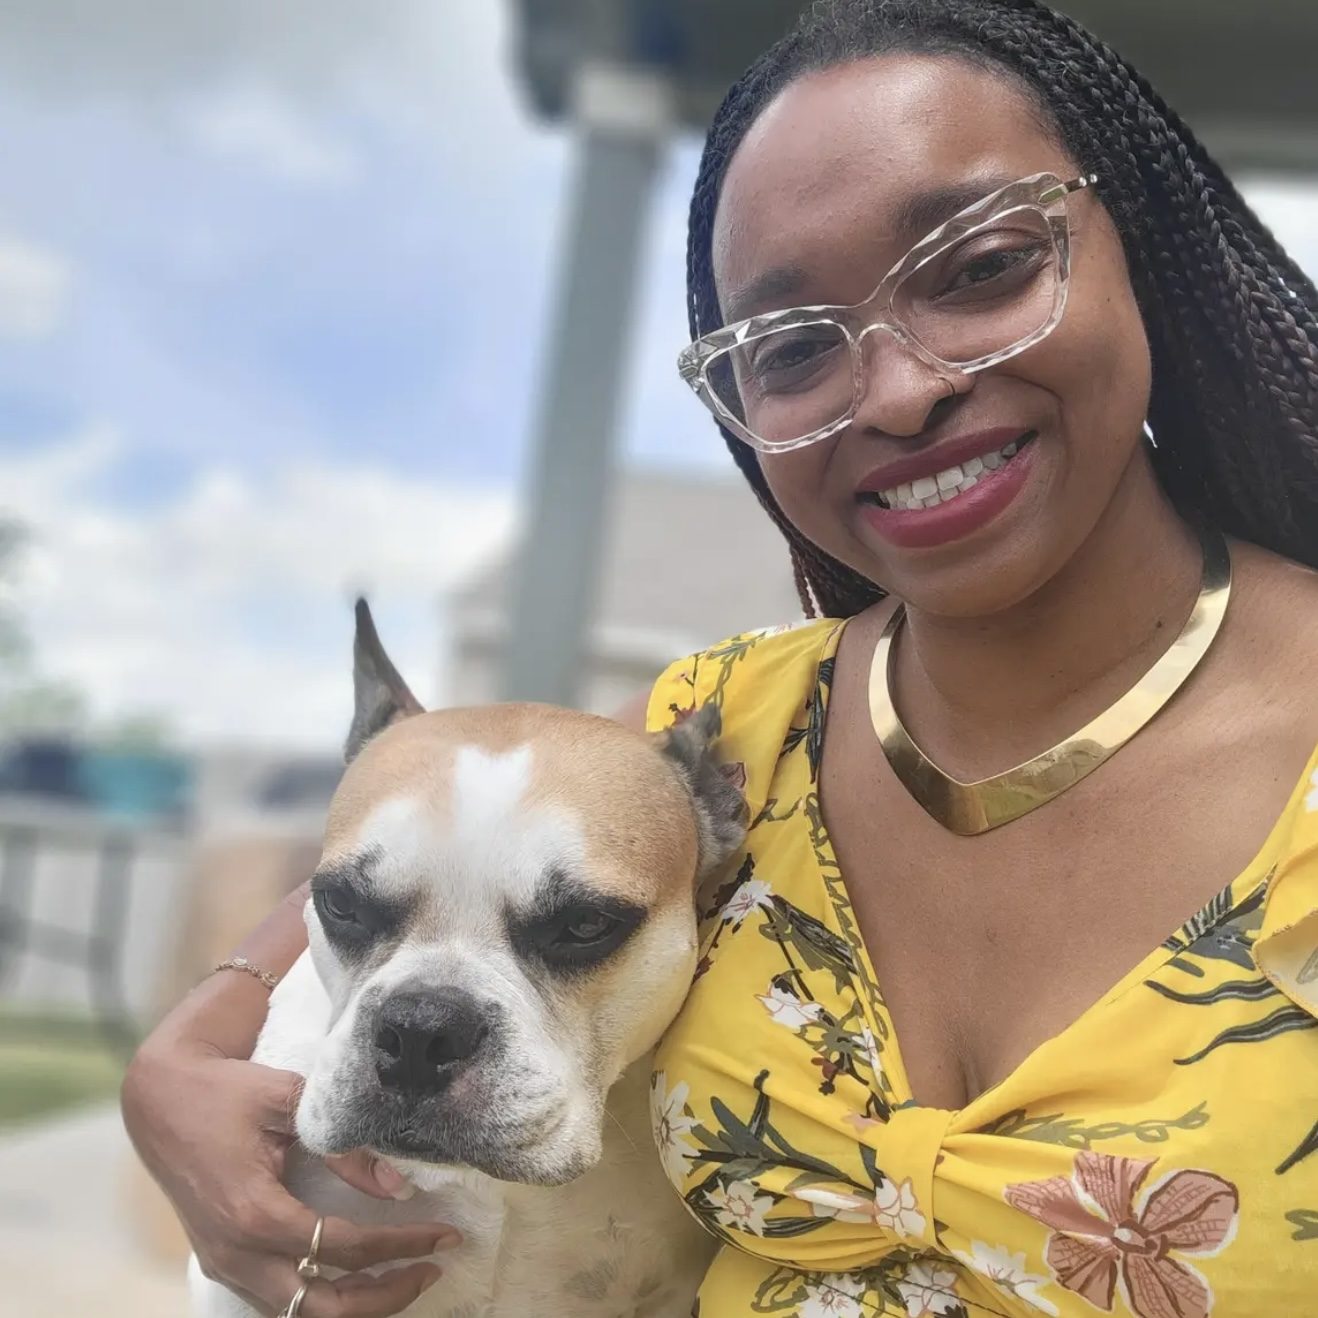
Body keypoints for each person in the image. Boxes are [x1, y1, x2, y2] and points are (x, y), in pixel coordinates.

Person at [123, 1, 1318, 1313]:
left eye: (979, 268)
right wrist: (188, 1048)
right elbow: (423, 841)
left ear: (1133, 245)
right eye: (794, 346)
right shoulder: (730, 723)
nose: (900, 388)